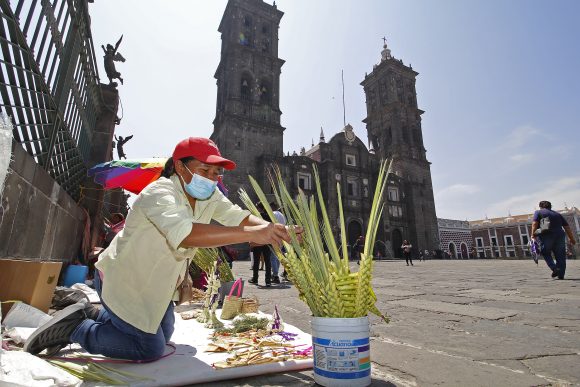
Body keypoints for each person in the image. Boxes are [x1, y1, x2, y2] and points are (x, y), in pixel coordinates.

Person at [24, 137, 301, 360]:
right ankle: (76, 329)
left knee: (165, 331)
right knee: (148, 348)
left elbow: (236, 214)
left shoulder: (209, 194)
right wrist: (252, 233)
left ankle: (95, 314)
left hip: (155, 283)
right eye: (205, 170)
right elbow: (186, 234)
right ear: (181, 167)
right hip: (124, 277)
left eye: (217, 172)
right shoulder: (160, 193)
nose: (213, 178)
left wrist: (272, 228)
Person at [531, 200, 576, 280]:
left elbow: (535, 223)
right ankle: (561, 275)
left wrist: (533, 235)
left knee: (545, 252)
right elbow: (567, 227)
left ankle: (554, 268)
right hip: (560, 235)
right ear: (550, 206)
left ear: (540, 206)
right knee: (560, 255)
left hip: (546, 235)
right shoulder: (558, 214)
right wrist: (572, 239)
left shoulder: (538, 212)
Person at [249, 203, 273, 286]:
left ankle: (255, 278)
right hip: (267, 241)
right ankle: (268, 280)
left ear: (258, 208)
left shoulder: (256, 217)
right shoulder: (269, 216)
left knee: (256, 261)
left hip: (257, 241)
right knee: (267, 261)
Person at [270, 205, 287, 284]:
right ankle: (275, 273)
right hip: (281, 237)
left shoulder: (272, 214)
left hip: (274, 236)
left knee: (273, 257)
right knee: (278, 256)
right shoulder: (282, 215)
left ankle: (275, 275)